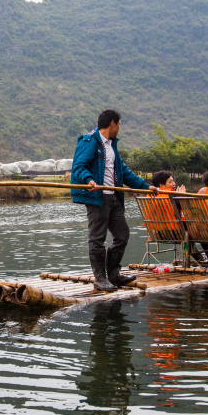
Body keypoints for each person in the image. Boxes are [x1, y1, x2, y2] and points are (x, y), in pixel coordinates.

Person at [71, 109, 158, 292]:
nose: (119, 128)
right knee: (97, 238)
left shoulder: (111, 145)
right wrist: (89, 180)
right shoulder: (89, 141)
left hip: (114, 197)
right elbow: (79, 166)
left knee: (122, 234)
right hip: (97, 196)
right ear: (112, 123)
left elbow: (123, 171)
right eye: (119, 124)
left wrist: (145, 187)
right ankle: (100, 279)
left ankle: (114, 275)